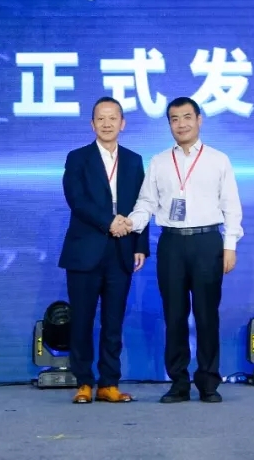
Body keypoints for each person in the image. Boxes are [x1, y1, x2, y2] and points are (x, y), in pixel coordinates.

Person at [123, 96, 243, 403]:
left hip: (207, 242)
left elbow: (231, 205)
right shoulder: (159, 162)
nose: (181, 124)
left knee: (206, 315)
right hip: (172, 243)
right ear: (169, 125)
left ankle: (208, 382)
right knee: (174, 315)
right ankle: (178, 382)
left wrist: (230, 245)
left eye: (187, 117)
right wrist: (131, 222)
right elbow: (147, 203)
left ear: (199, 120)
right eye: (174, 119)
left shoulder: (218, 160)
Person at [59, 96, 149, 404]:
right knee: (82, 321)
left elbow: (142, 205)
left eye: (113, 118)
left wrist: (140, 244)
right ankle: (83, 382)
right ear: (92, 124)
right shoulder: (77, 158)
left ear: (122, 124)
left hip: (121, 250)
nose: (107, 123)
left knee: (113, 322)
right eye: (101, 118)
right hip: (84, 251)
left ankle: (109, 383)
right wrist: (109, 222)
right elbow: (77, 200)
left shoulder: (134, 160)